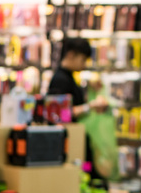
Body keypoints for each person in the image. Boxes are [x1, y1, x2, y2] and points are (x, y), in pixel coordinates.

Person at [47, 38, 109, 180]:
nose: (84, 64)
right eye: (83, 60)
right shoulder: (60, 80)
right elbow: (58, 114)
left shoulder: (68, 78)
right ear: (71, 55)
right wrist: (90, 107)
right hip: (68, 143)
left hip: (74, 140)